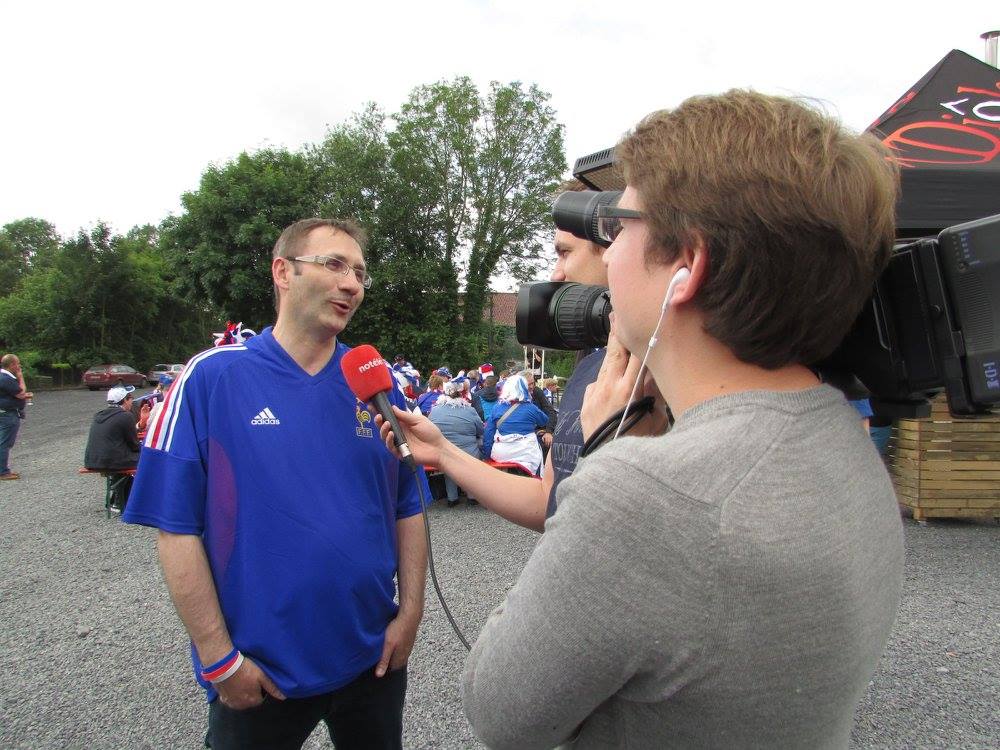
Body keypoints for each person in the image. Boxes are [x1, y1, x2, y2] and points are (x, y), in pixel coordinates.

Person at [383, 91, 906, 748]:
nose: (610, 252)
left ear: (686, 265)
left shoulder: (640, 494)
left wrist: (601, 460)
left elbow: (499, 710)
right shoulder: (841, 432)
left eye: (618, 225)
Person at [123, 217, 428, 750]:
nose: (352, 284)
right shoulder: (211, 378)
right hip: (260, 673)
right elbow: (175, 529)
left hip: (372, 658)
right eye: (334, 264)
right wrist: (219, 659)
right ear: (282, 272)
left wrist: (410, 615)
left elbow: (408, 507)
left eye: (359, 271)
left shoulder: (379, 387)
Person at [429, 380, 484, 506]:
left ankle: (452, 498)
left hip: (444, 452)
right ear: (461, 395)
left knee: (448, 463)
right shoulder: (470, 410)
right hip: (469, 453)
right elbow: (481, 430)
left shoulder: (435, 411)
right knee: (472, 461)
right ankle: (472, 496)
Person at [482, 375, 550, 477]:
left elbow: (488, 434)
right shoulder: (531, 408)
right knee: (539, 457)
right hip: (527, 453)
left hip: (502, 454)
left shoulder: (497, 407)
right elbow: (544, 421)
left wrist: (487, 457)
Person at [0, 353, 32, 480]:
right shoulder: (6, 378)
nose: (19, 366)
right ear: (12, 365)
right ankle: (3, 472)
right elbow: (21, 393)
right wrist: (20, 377)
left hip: (4, 412)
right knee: (5, 442)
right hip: (8, 413)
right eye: (18, 363)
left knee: (3, 441)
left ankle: (3, 470)